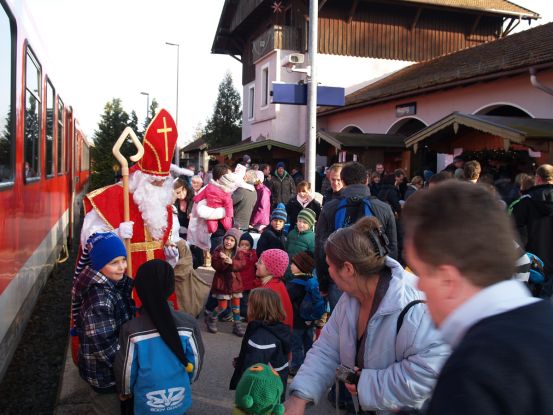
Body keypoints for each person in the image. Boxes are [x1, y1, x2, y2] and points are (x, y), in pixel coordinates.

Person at [402, 180, 553, 414]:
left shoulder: (472, 372)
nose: (419, 284)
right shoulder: (543, 322)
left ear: (448, 280)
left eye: (421, 272)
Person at [285, 217, 449, 414]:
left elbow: (429, 370)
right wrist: (299, 396)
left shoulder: (415, 306)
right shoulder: (350, 298)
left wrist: (367, 384)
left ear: (347, 269)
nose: (327, 271)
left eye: (329, 265)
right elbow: (327, 349)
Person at [80, 110, 181, 299]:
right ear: (140, 177)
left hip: (156, 287)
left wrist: (170, 256)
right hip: (122, 286)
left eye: (163, 181)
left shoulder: (164, 203)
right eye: (154, 181)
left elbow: (167, 242)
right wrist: (114, 235)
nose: (160, 186)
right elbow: (88, 242)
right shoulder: (109, 197)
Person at [114, 260, 204, 415]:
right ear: (170, 286)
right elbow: (195, 359)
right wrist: (188, 379)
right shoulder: (189, 324)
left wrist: (125, 391)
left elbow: (127, 369)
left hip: (147, 402)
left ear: (141, 289)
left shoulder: (131, 329)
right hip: (179, 398)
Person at [315, 161, 398, 311]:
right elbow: (392, 248)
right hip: (373, 278)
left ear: (343, 182)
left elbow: (321, 248)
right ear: (366, 180)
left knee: (341, 328)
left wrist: (323, 282)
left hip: (340, 279)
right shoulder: (384, 208)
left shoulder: (330, 208)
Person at [71, 232, 135, 414]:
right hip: (107, 377)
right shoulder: (99, 300)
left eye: (123, 260)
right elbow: (105, 350)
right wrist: (125, 380)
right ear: (98, 265)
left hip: (111, 371)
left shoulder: (111, 286)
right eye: (114, 262)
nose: (122, 267)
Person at [229, 288, 291, 400]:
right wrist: (240, 361)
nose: (247, 305)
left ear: (257, 309)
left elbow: (253, 368)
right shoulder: (275, 329)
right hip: (275, 387)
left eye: (249, 303)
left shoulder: (261, 338)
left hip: (261, 393)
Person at [512, 164, 553, 297]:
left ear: (538, 178)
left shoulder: (525, 202)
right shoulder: (526, 201)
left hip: (533, 262)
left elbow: (513, 231)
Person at [206, 228, 246, 336]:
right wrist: (223, 261)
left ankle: (237, 325)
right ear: (223, 239)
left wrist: (232, 262)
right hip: (222, 282)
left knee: (236, 307)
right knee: (222, 306)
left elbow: (242, 264)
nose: (228, 242)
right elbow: (215, 265)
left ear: (236, 242)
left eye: (232, 240)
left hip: (235, 282)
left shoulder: (239, 252)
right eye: (227, 239)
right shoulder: (219, 250)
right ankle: (212, 318)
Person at [286, 252, 316, 376]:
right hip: (310, 319)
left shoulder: (295, 284)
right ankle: (309, 366)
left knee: (296, 345)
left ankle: (296, 367)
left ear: (301, 266)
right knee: (308, 344)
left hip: (297, 320)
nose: (291, 266)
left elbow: (287, 300)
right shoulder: (311, 281)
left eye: (293, 264)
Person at [256, 248, 294, 330]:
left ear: (270, 268)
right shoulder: (278, 284)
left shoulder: (267, 291)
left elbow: (257, 322)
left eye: (260, 263)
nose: (256, 264)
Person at [284, 208, 316, 282]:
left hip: (300, 272)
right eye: (299, 221)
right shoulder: (291, 233)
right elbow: (286, 249)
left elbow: (312, 257)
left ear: (310, 224)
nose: (301, 224)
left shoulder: (312, 238)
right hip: (287, 267)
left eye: (305, 222)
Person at [234, 232, 259, 319]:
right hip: (238, 283)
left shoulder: (253, 255)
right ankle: (239, 314)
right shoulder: (236, 255)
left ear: (251, 246)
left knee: (245, 301)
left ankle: (246, 315)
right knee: (237, 300)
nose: (244, 247)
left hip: (248, 284)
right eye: (242, 244)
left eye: (247, 245)